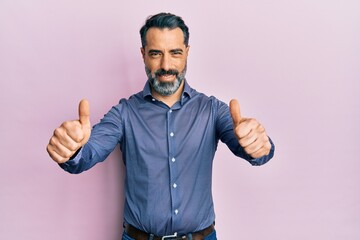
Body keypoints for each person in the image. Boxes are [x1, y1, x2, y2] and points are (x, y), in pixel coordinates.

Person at [47, 12, 275, 240]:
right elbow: (87, 154)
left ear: (187, 52)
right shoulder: (124, 113)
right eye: (156, 54)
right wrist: (73, 149)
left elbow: (252, 148)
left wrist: (259, 146)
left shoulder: (212, 110)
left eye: (175, 53)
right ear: (143, 55)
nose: (166, 65)